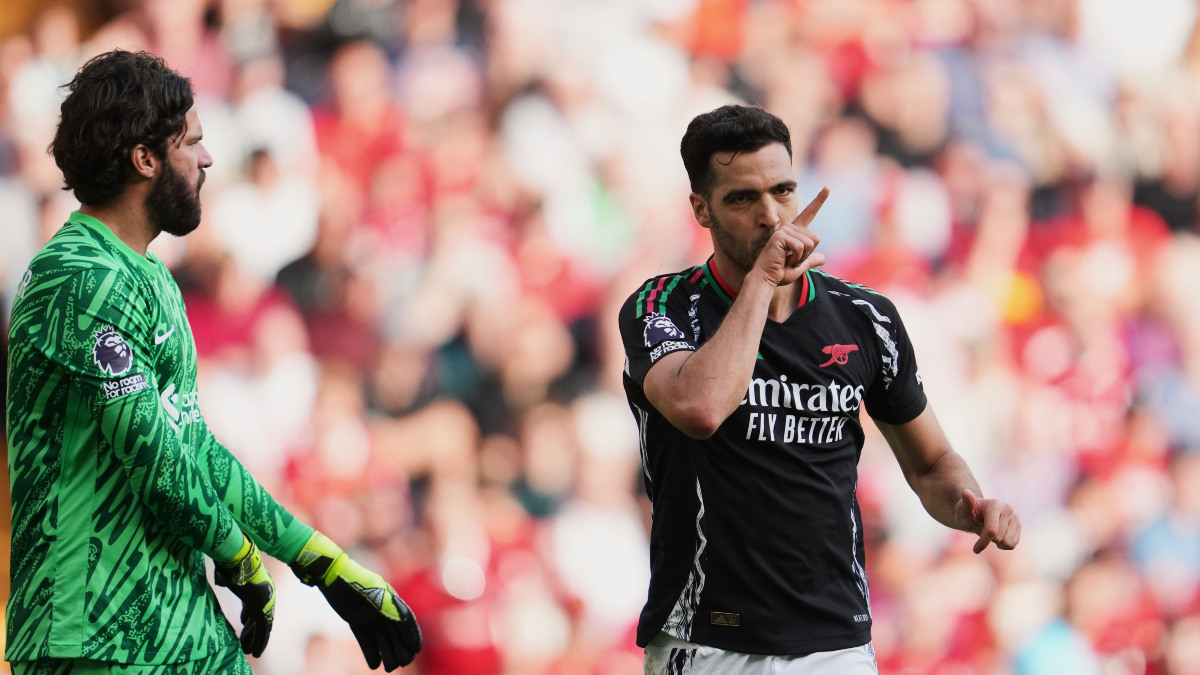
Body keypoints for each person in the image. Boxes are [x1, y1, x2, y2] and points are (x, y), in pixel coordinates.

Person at [5, 50, 422, 674]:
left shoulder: (152, 278)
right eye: (191, 143)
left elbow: (194, 445)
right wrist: (238, 555)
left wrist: (321, 561)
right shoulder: (78, 278)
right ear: (145, 159)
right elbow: (151, 455)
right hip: (90, 633)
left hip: (182, 623)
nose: (206, 159)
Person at [619, 104, 1021, 674]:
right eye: (742, 199)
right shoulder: (661, 305)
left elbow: (931, 463)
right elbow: (701, 407)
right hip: (706, 639)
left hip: (836, 643)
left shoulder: (865, 317)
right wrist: (763, 280)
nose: (771, 216)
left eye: (782, 191)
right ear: (701, 209)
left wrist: (969, 503)